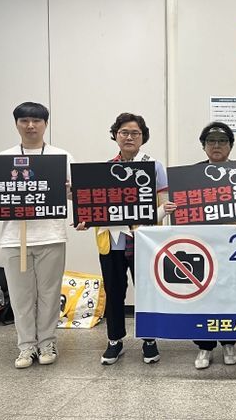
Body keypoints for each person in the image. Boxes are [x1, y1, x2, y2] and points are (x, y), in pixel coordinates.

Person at [78, 113, 175, 366]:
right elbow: (95, 205)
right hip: (111, 241)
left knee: (146, 292)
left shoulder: (154, 166)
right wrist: (85, 219)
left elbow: (164, 203)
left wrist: (160, 213)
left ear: (143, 137)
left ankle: (149, 339)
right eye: (124, 132)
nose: (129, 137)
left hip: (144, 241)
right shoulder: (104, 168)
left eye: (135, 133)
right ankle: (114, 340)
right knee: (114, 291)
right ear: (115, 135)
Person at [0, 102, 74, 369]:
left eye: (36, 121)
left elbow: (76, 194)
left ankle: (47, 343)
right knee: (21, 297)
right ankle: (26, 346)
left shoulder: (61, 156)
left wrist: (69, 190)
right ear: (16, 124)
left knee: (49, 295)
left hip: (51, 236)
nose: (30, 126)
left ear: (45, 124)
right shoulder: (3, 158)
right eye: (24, 121)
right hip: (13, 238)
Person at [193, 122, 236, 369]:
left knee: (229, 294)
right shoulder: (191, 175)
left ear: (231, 145)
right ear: (203, 146)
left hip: (231, 247)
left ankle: (229, 342)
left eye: (222, 141)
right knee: (202, 294)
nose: (216, 146)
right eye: (211, 141)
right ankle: (204, 346)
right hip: (202, 247)